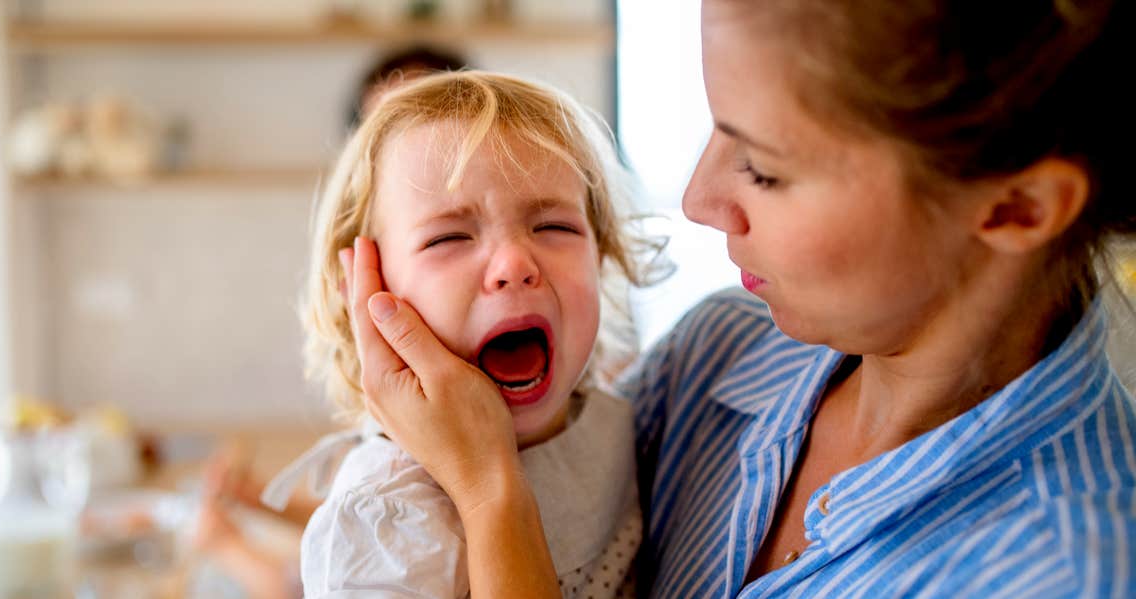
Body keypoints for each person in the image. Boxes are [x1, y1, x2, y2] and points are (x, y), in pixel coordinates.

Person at [342, 1, 1136, 597]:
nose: (697, 196)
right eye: (716, 130)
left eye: (763, 167)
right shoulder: (718, 351)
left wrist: (491, 493)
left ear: (1016, 207)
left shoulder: (1063, 572)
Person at [285, 70, 662, 598]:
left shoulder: (618, 421)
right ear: (368, 290)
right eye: (450, 237)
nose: (514, 263)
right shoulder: (387, 518)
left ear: (600, 258)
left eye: (555, 227)